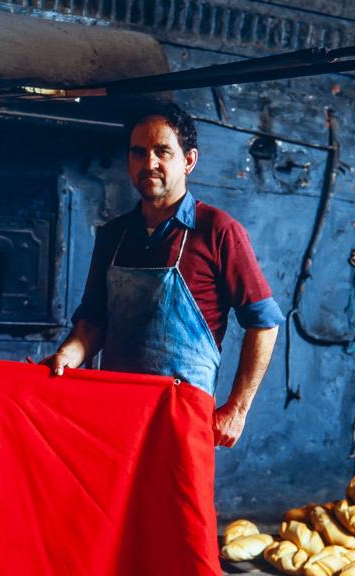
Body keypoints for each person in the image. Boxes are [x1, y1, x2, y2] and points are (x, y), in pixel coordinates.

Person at [42, 99, 283, 448]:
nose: (149, 163)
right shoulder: (113, 235)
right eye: (138, 153)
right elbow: (93, 323)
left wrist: (237, 409)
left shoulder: (218, 230)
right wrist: (69, 355)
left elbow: (264, 322)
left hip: (183, 420)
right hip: (114, 412)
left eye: (162, 151)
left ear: (188, 161)